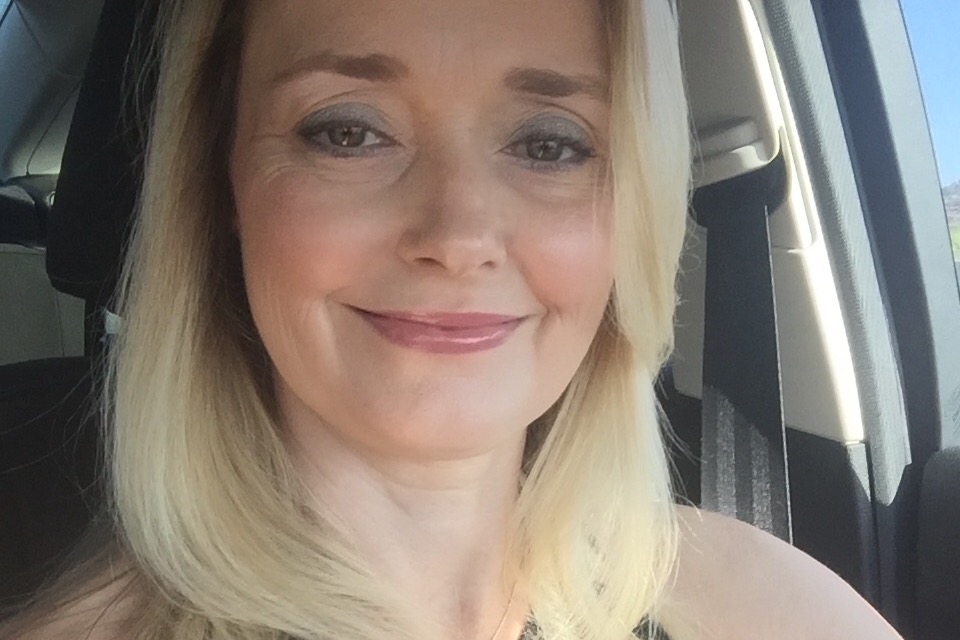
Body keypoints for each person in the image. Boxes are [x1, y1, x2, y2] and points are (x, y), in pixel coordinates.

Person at [2, 0, 906, 639]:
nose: (459, 235)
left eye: (550, 143)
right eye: (348, 131)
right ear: (220, 179)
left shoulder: (762, 606)